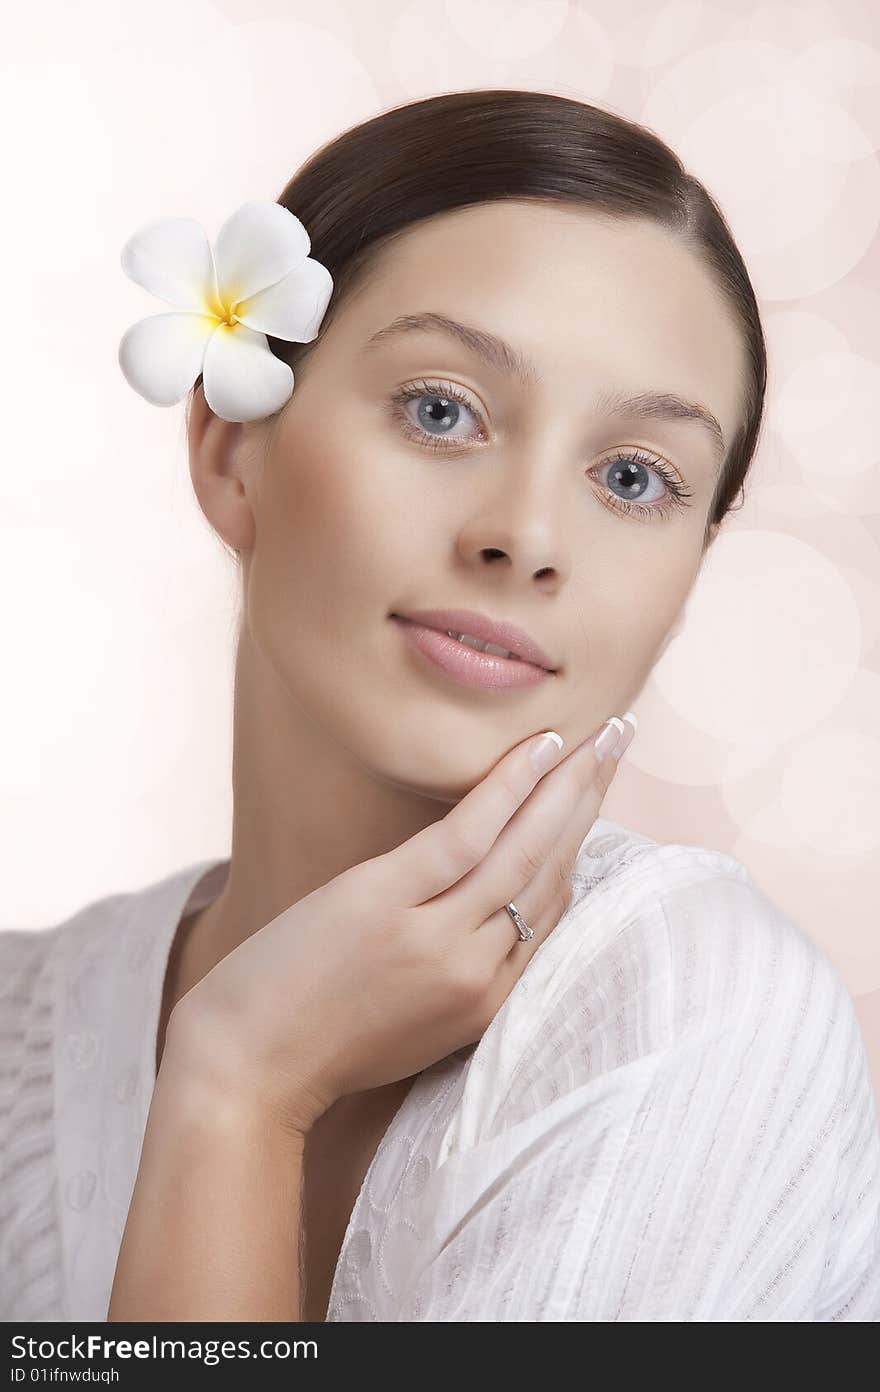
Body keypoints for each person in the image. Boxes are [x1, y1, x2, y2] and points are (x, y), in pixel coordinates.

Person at [2, 89, 878, 1323]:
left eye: (633, 478)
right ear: (228, 448)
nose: (523, 537)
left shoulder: (690, 1008)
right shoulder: (20, 1022)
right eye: (440, 410)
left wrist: (241, 1087)